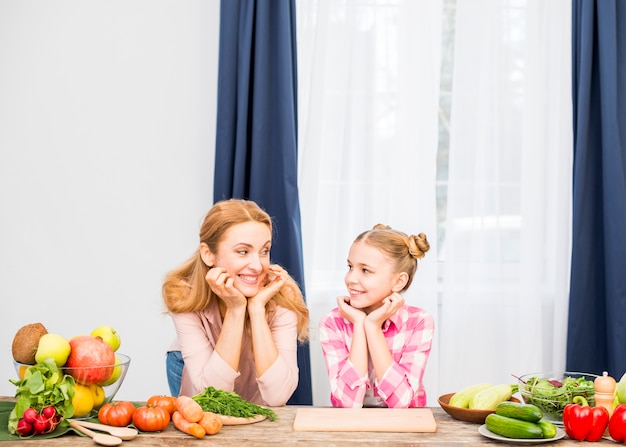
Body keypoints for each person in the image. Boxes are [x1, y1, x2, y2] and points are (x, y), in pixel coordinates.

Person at [162, 198, 309, 406]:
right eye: (243, 251)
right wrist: (236, 309)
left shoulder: (283, 295)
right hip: (193, 368)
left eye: (264, 251)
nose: (257, 266)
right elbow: (214, 397)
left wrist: (257, 309)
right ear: (208, 254)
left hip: (253, 381)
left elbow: (278, 397)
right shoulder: (184, 294)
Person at [319, 224, 434, 408]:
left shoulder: (418, 322)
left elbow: (401, 403)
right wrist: (359, 323)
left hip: (405, 429)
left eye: (365, 270)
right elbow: (347, 404)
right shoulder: (333, 322)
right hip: (352, 428)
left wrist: (372, 327)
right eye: (350, 267)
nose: (350, 279)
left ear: (398, 281)